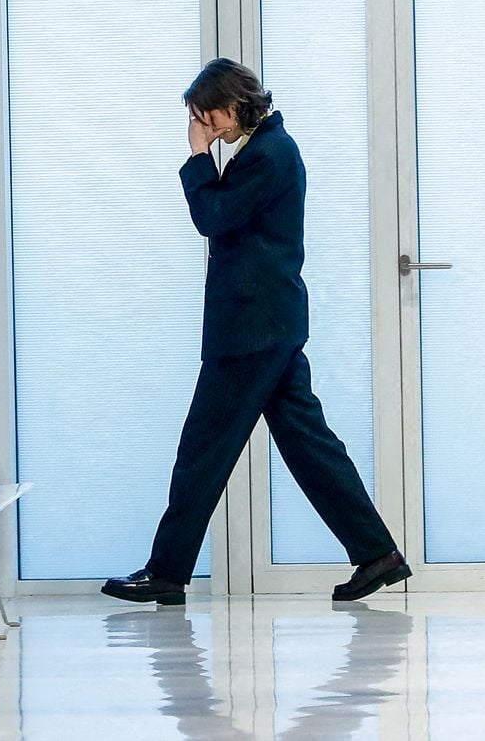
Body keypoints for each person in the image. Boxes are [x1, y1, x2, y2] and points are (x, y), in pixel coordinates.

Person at [101, 58, 412, 606]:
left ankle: (167, 572)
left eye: (207, 116)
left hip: (252, 327)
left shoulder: (269, 152)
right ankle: (377, 554)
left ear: (234, 102)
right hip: (268, 324)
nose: (205, 127)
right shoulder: (266, 146)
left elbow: (213, 218)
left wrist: (197, 158)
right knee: (310, 446)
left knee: (202, 450)